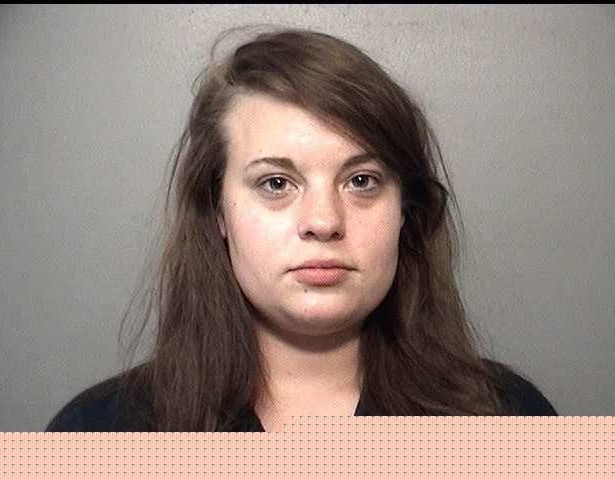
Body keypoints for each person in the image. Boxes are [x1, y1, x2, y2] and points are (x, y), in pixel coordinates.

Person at [46, 26, 557, 432]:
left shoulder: (511, 420)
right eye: (276, 183)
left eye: (361, 180)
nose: (323, 222)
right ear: (218, 212)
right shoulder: (93, 436)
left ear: (406, 210)